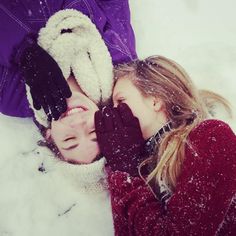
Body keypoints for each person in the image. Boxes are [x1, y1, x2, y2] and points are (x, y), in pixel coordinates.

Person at [95, 55, 236, 235]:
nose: (113, 113)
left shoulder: (211, 136)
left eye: (121, 101)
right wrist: (123, 166)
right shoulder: (139, 167)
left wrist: (125, 167)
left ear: (155, 100)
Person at [0, 0, 136, 120]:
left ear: (49, 136)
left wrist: (23, 50)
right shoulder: (116, 59)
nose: (78, 123)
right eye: (93, 133)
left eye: (69, 140)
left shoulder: (12, 98)